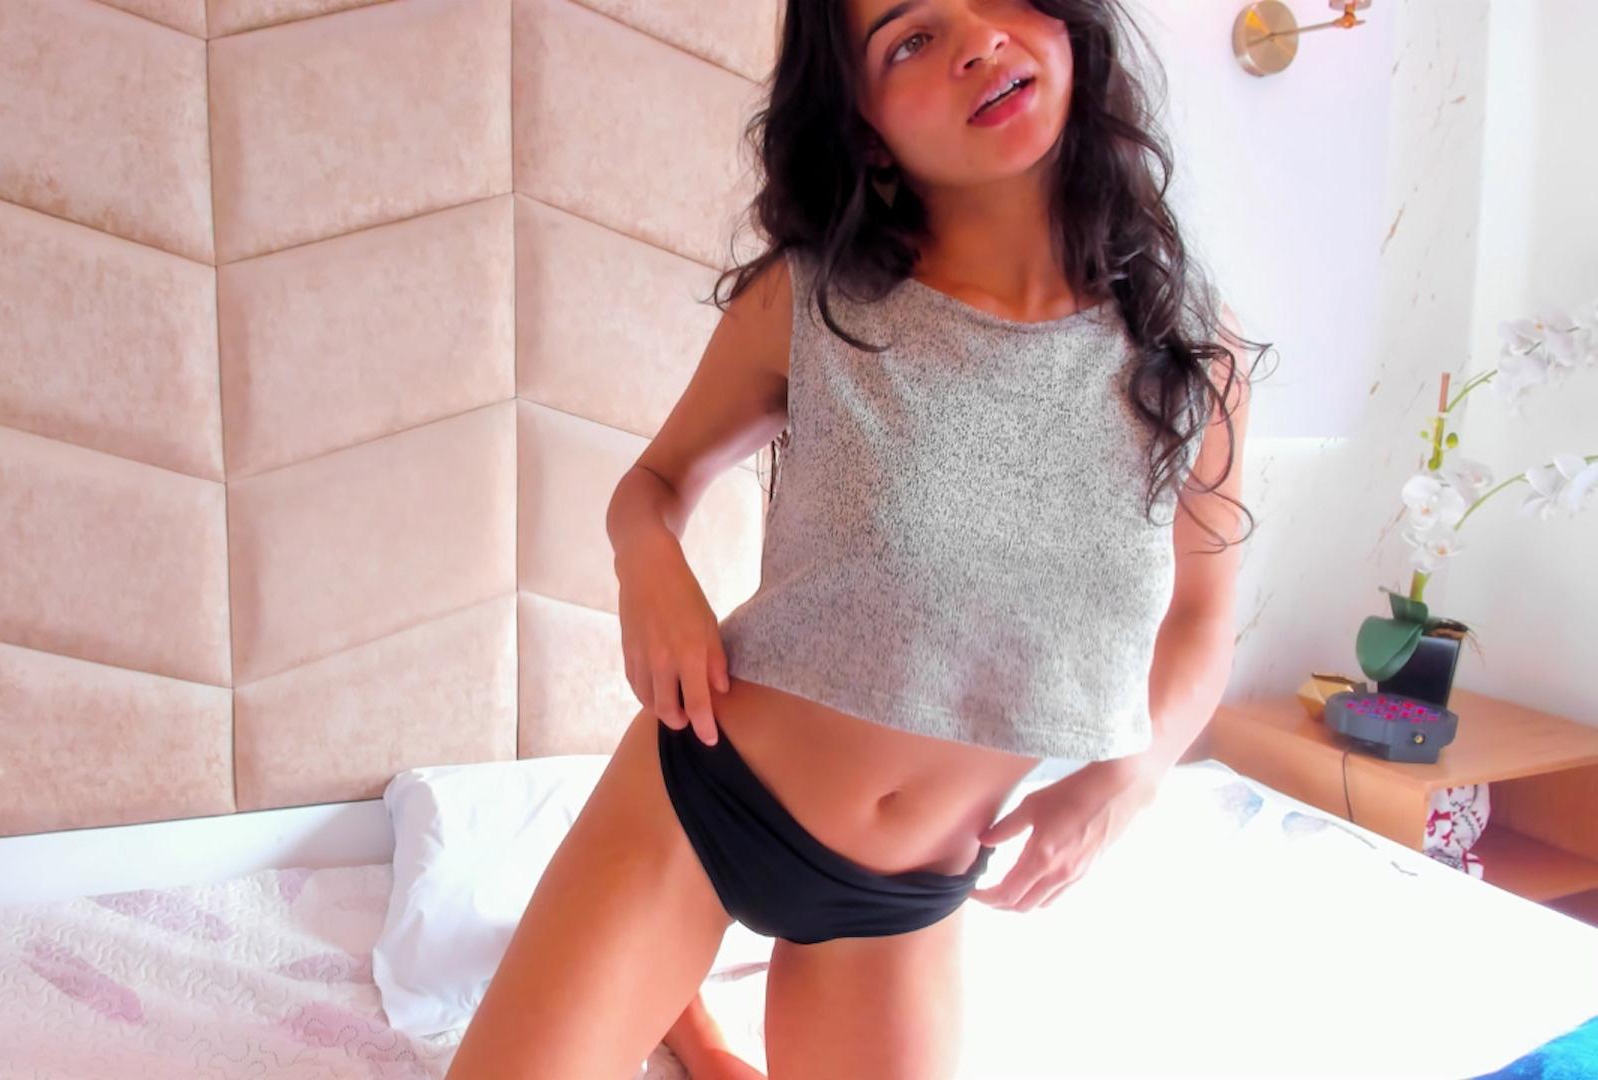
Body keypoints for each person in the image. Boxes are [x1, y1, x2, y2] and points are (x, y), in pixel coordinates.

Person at [446, 0, 1268, 1076]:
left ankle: (688, 1023)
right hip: (704, 798)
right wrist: (650, 567)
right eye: (911, 38)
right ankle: (686, 1013)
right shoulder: (818, 301)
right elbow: (652, 486)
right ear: (868, 125)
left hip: (906, 895)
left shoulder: (1189, 356)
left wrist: (1131, 777)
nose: (977, 40)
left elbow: (1201, 616)